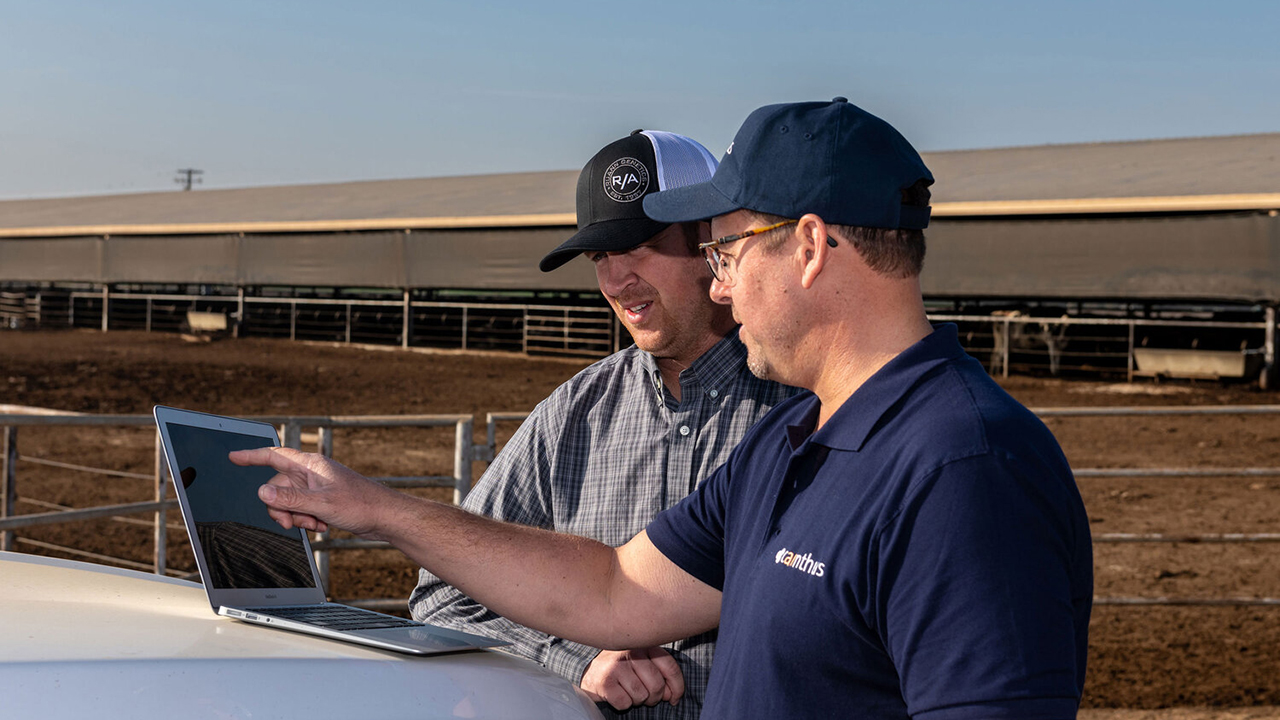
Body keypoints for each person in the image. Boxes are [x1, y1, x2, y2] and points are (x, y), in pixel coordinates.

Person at [234, 99, 1093, 719]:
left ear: (809, 247)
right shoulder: (797, 443)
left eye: (724, 249)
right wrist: (374, 507)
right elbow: (613, 588)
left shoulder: (968, 471)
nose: (721, 280)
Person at [408, 129, 797, 718]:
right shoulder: (573, 415)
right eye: (600, 258)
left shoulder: (806, 406)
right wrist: (575, 657)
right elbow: (442, 594)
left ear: (713, 241)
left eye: (639, 246)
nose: (616, 282)